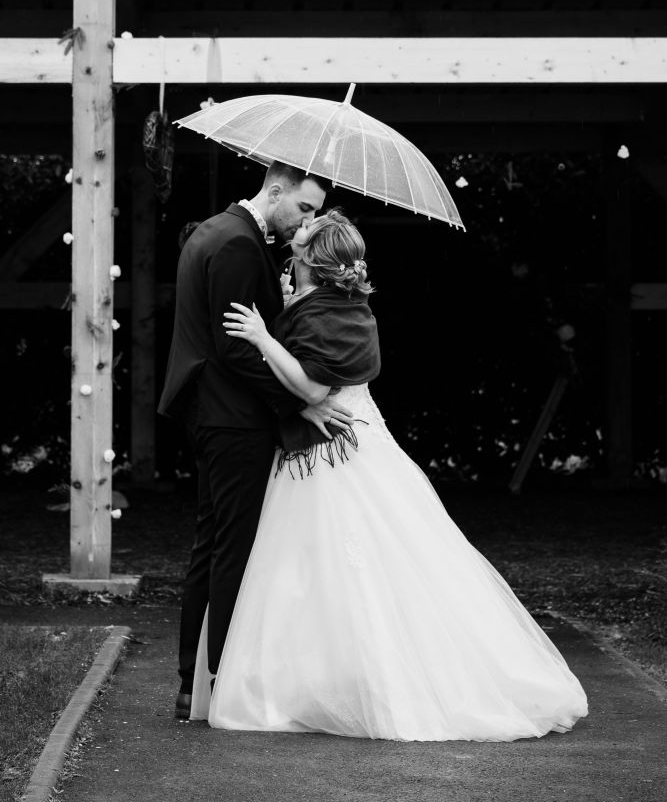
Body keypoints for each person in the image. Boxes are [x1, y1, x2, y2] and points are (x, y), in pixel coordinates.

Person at [189, 208, 588, 741]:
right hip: (314, 455)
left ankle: (381, 683)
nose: (293, 240)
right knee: (310, 571)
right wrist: (283, 317)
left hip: (342, 451)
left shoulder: (343, 316)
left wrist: (263, 337)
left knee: (362, 564)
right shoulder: (317, 303)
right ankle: (316, 680)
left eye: (302, 238)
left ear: (314, 261)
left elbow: (311, 391)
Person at [158, 164, 354, 721]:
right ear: (275, 190)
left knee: (210, 542)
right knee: (231, 549)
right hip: (234, 419)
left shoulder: (215, 231)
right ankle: (216, 677)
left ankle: (192, 682)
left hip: (211, 413)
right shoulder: (240, 246)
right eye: (306, 208)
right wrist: (303, 401)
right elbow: (237, 349)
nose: (307, 221)